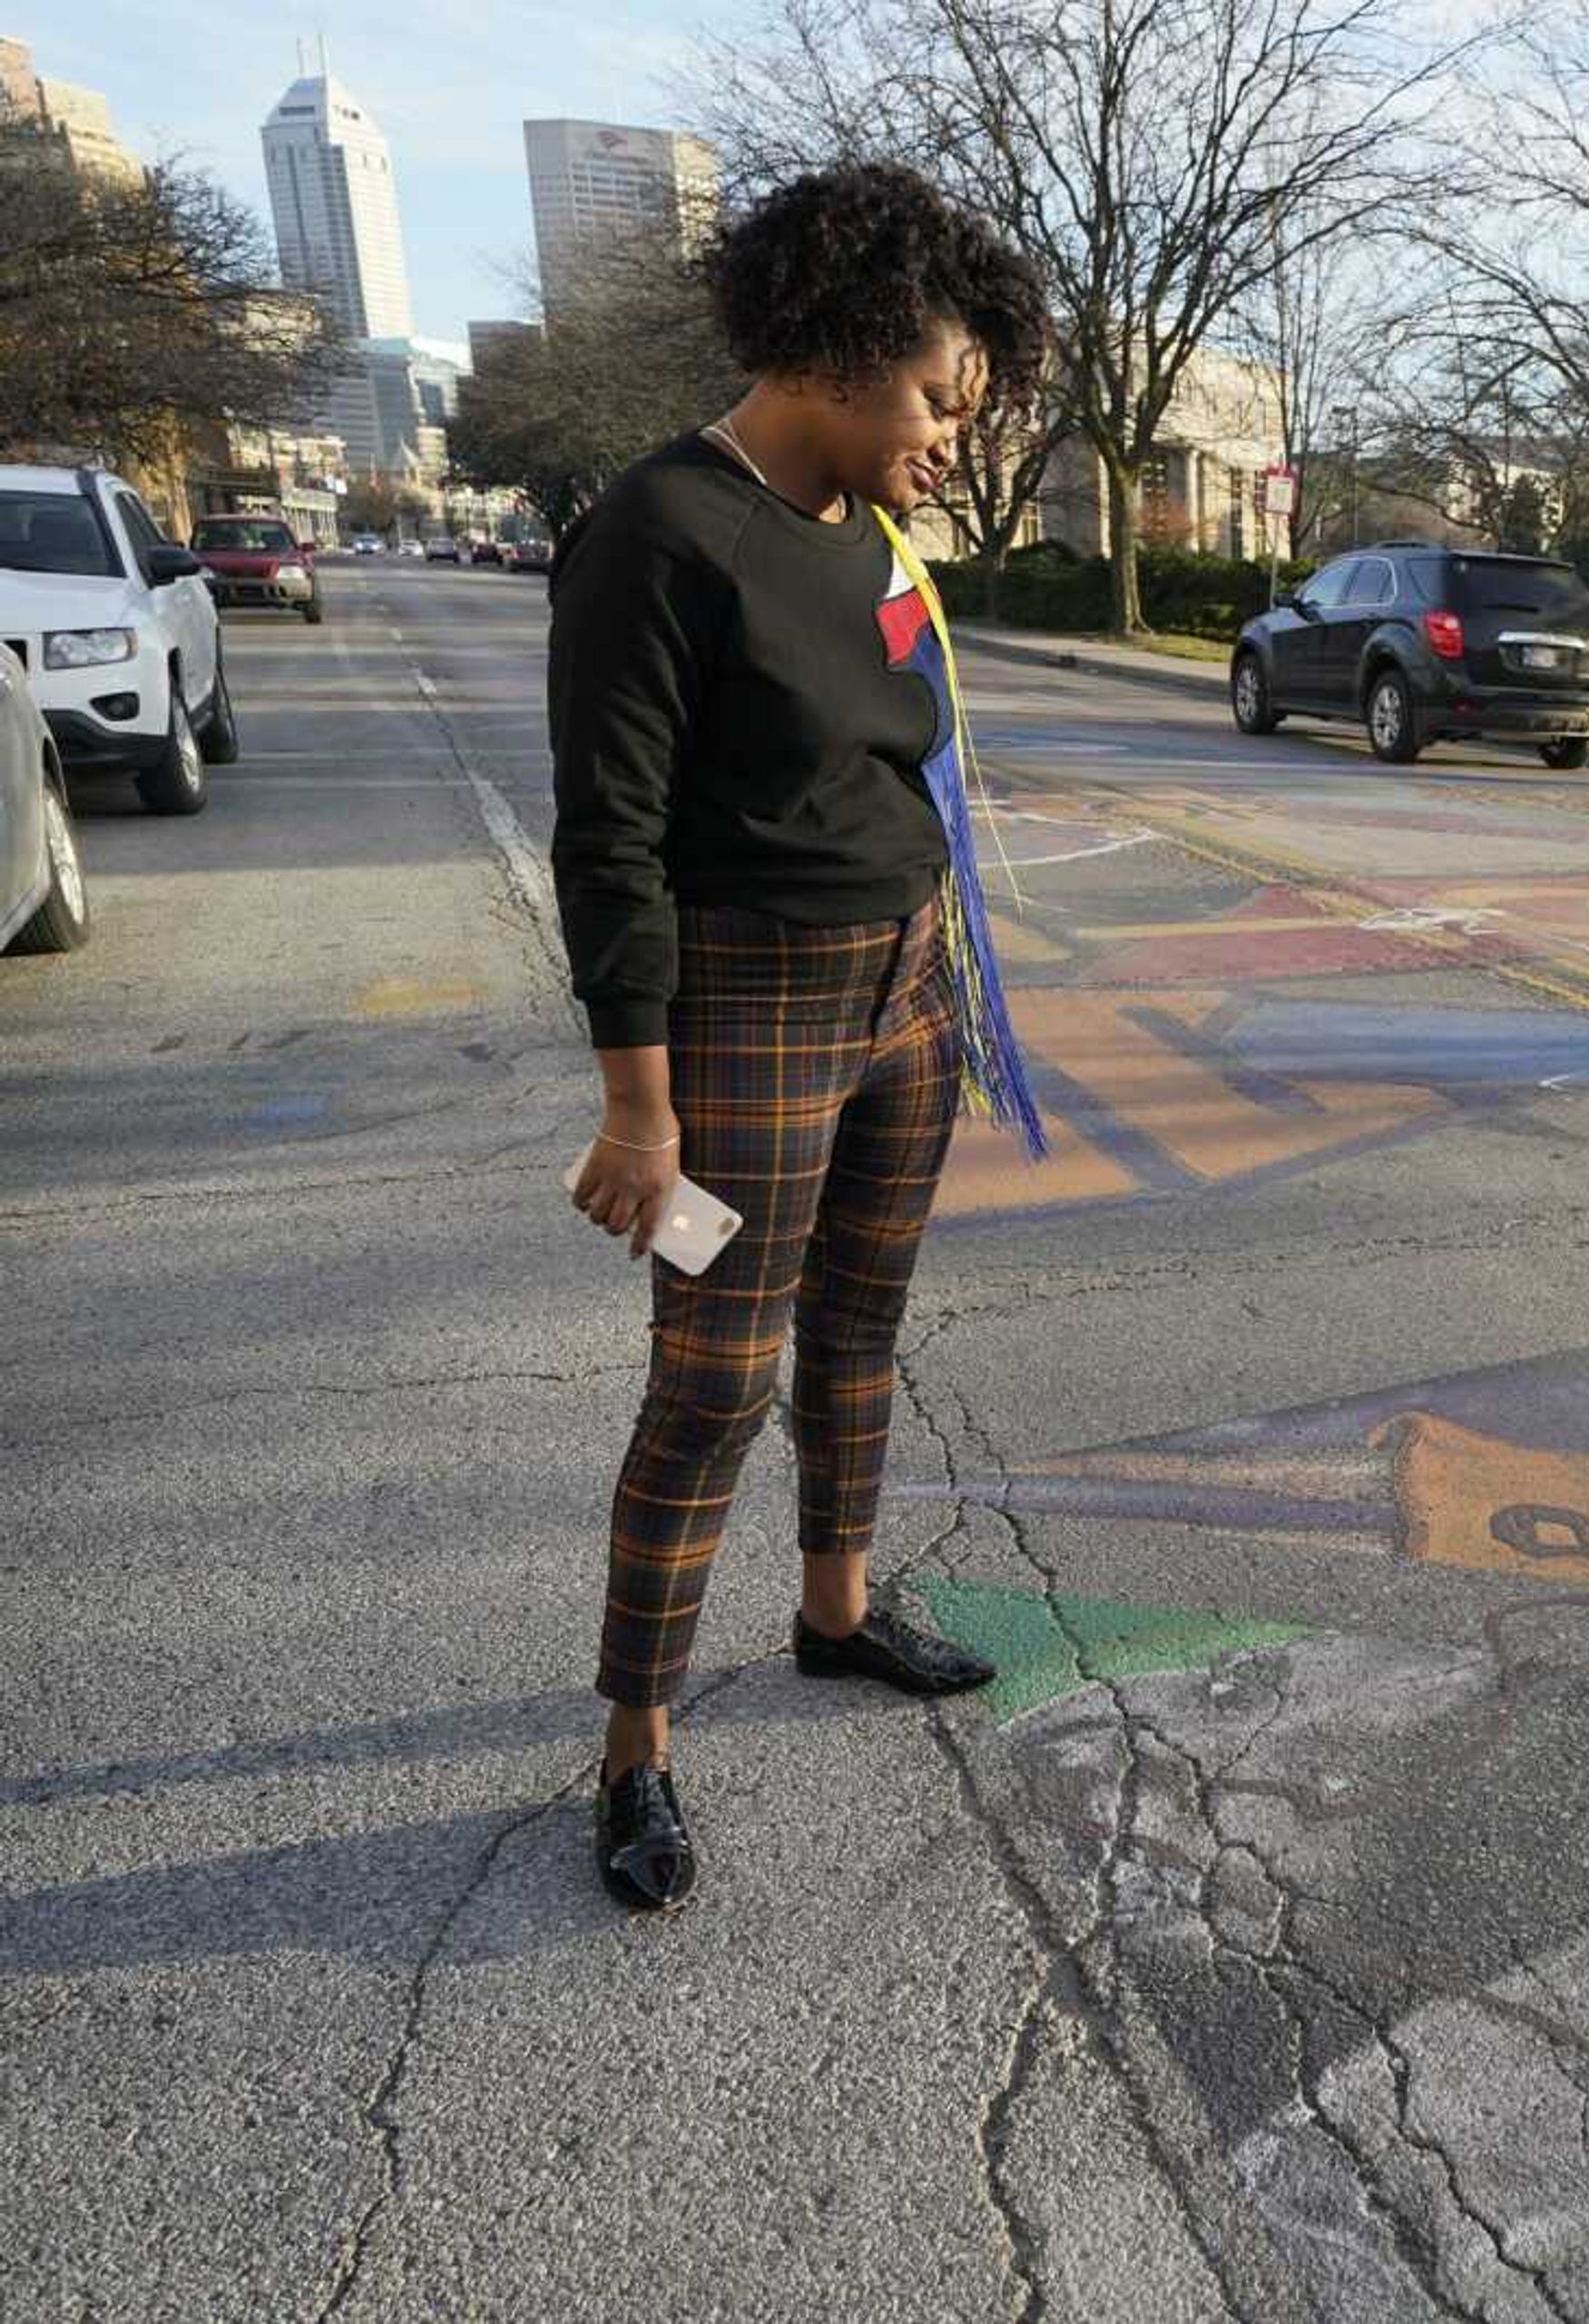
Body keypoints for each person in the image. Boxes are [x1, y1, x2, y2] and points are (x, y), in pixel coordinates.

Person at [552, 162, 1051, 1911]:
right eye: (933, 398)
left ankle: (835, 1610)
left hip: (904, 983)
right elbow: (607, 839)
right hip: (748, 1003)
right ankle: (635, 1751)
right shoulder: (661, 533)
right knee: (712, 1382)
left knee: (862, 1322)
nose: (949, 439)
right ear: (837, 352)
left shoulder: (878, 534)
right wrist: (639, 1110)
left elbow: (901, 746)